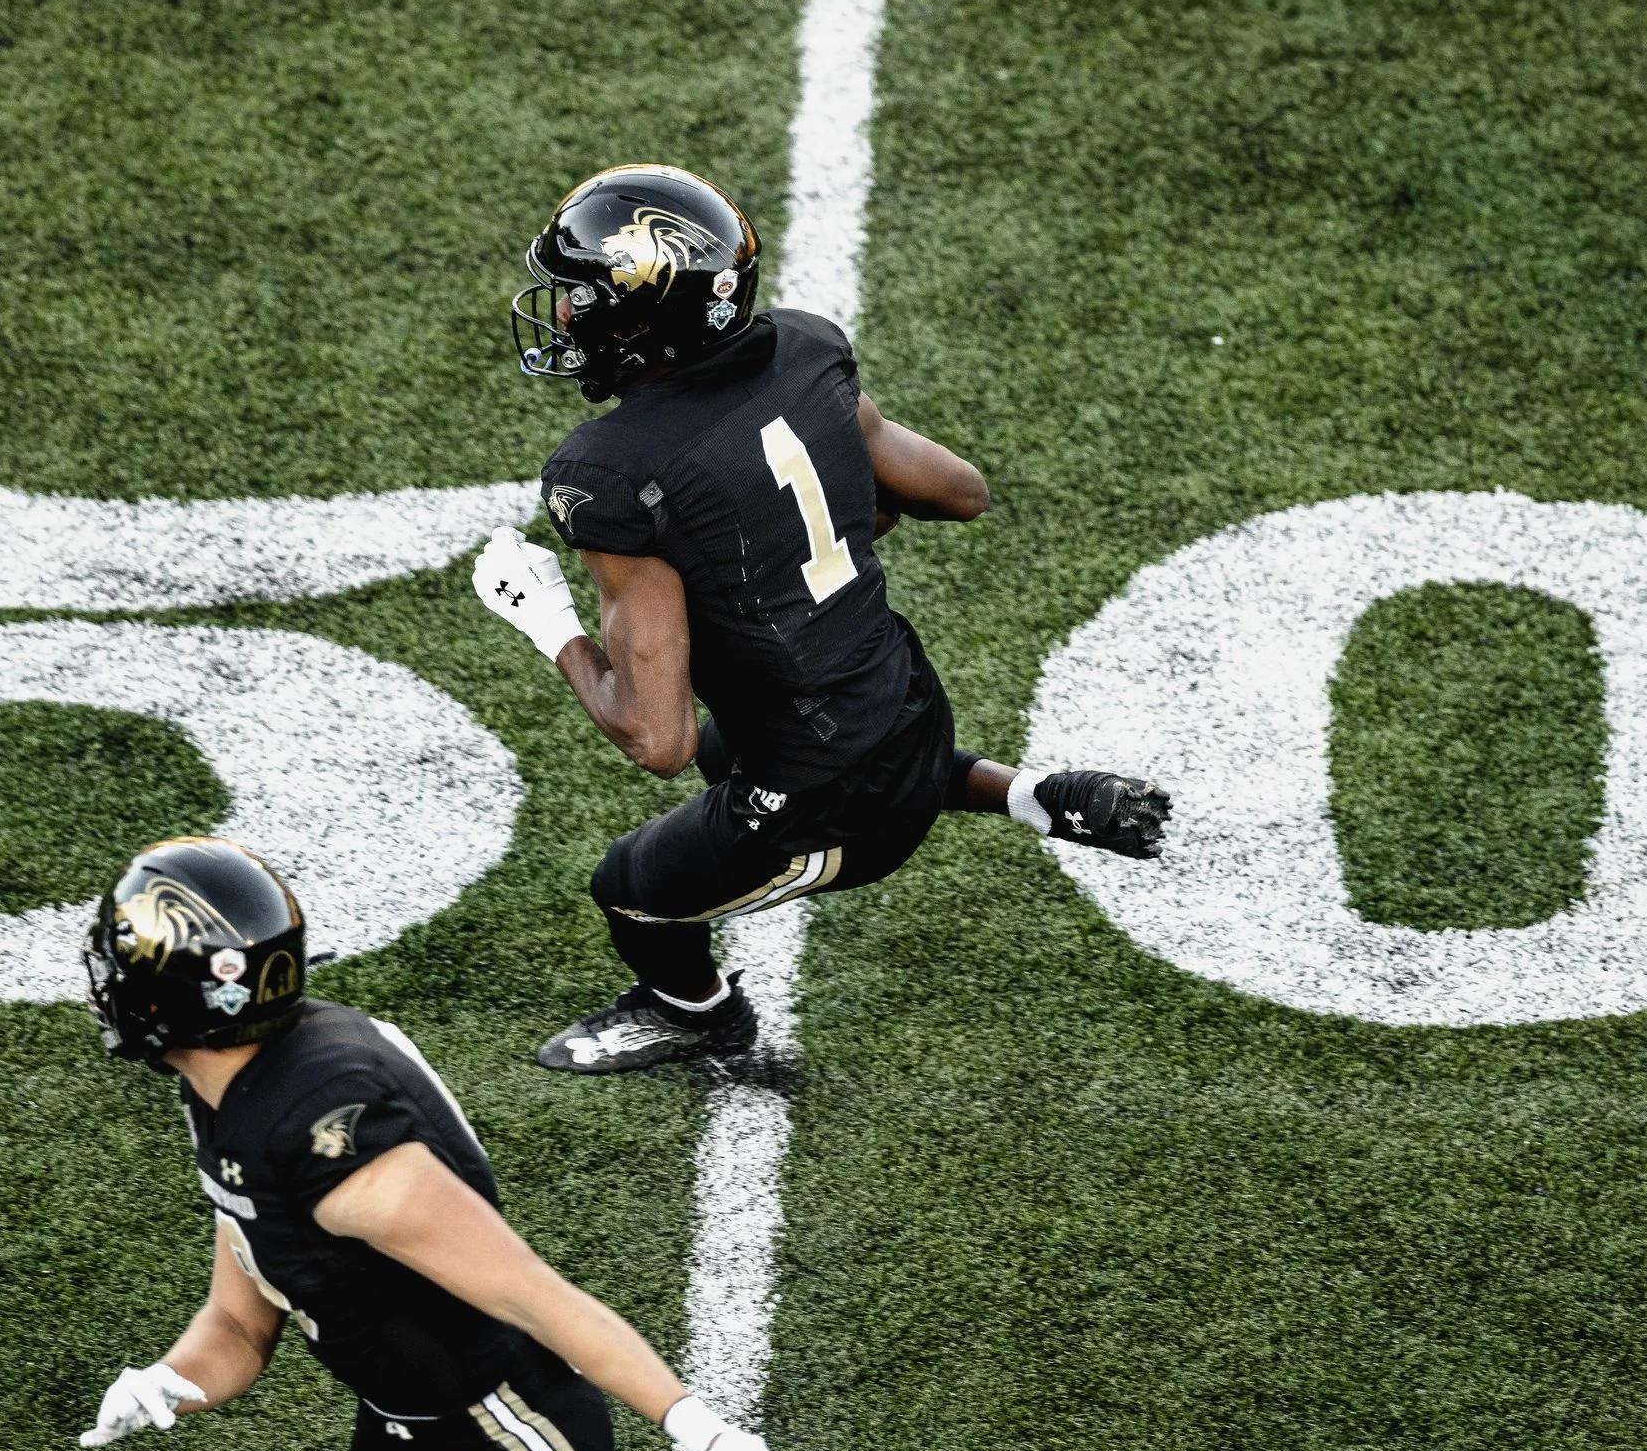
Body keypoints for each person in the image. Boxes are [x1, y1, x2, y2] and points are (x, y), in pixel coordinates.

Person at [482, 163, 1171, 1075]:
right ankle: (1027, 794)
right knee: (744, 745)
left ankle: (696, 1012)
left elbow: (657, 739)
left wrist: (548, 625)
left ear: (644, 321)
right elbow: (959, 493)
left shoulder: (609, 474)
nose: (565, 314)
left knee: (627, 889)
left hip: (833, 804)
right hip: (911, 704)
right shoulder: (806, 350)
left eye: (580, 296)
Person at [75, 836, 860, 1451]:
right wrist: (169, 1379)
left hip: (513, 1450)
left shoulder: (341, 1151)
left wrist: (710, 1437)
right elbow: (240, 1322)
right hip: (396, 1439)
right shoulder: (226, 1091)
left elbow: (535, 1296)